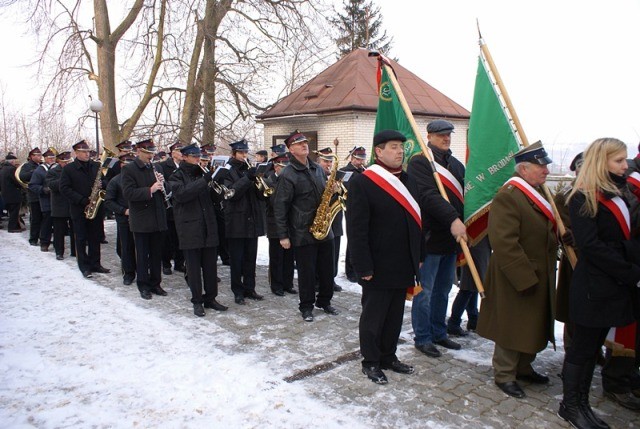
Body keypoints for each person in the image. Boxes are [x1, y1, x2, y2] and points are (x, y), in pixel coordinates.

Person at [557, 138, 640, 427]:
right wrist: (630, 270)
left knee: (593, 351)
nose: (625, 165)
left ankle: (582, 403)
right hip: (594, 286)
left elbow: (627, 239)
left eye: (625, 159)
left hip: (615, 284)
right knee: (582, 349)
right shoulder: (583, 196)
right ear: (601, 161)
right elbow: (591, 246)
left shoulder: (621, 192)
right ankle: (571, 405)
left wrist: (627, 258)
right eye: (618, 160)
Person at [476, 141, 556, 399]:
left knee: (531, 324)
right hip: (516, 274)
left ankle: (523, 367)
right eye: (540, 166)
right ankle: (505, 373)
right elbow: (504, 242)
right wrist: (524, 276)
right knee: (512, 326)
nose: (545, 170)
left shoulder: (536, 192)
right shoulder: (509, 195)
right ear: (523, 169)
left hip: (538, 271)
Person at [347, 130, 424, 384]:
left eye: (401, 147)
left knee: (394, 315)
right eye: (393, 147)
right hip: (377, 264)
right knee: (373, 316)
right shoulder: (363, 182)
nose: (400, 151)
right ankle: (370, 361)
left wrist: (419, 256)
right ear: (378, 152)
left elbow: (416, 222)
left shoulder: (408, 180)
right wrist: (363, 266)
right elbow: (357, 230)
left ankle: (388, 356)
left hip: (403, 262)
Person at [407, 119, 466, 358]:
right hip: (430, 238)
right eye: (441, 135)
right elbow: (428, 196)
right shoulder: (420, 162)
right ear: (429, 136)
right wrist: (453, 218)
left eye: (448, 134)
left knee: (443, 290)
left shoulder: (456, 165)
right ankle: (423, 337)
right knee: (425, 291)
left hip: (450, 240)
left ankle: (439, 332)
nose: (446, 138)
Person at [273, 131, 338, 322]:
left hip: (323, 228)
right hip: (302, 230)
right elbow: (280, 206)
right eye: (299, 143)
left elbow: (321, 197)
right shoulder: (287, 174)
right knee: (307, 272)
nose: (304, 145)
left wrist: (332, 191)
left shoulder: (317, 169)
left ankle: (324, 301)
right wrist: (283, 236)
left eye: (305, 142)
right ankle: (307, 306)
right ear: (291, 149)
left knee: (327, 269)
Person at [170, 143, 228, 316]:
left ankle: (211, 297)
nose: (198, 159)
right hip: (190, 228)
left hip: (208, 226)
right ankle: (197, 300)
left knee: (211, 267)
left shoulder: (203, 174)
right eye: (195, 157)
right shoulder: (176, 176)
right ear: (185, 157)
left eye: (199, 157)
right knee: (194, 268)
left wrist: (217, 182)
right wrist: (205, 181)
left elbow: (215, 198)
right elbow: (182, 194)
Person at [121, 138, 169, 300]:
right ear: (139, 151)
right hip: (141, 219)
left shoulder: (156, 166)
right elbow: (128, 193)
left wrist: (163, 185)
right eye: (148, 153)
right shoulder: (129, 169)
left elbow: (164, 190)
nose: (151, 156)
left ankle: (156, 283)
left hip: (157, 217)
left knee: (157, 254)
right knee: (142, 254)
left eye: (152, 153)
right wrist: (150, 190)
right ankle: (143, 285)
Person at [222, 139, 266, 305]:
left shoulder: (249, 169)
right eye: (241, 153)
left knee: (250, 258)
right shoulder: (227, 170)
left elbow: (260, 196)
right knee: (237, 260)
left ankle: (250, 288)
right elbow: (231, 193)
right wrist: (247, 178)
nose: (244, 156)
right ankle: (237, 291)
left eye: (246, 153)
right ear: (234, 154)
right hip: (236, 221)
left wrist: (259, 181)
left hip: (252, 219)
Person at [60, 140, 110, 278]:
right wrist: (82, 200)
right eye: (84, 152)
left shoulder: (96, 166)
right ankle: (84, 266)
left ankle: (95, 263)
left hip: (96, 207)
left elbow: (106, 181)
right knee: (81, 238)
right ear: (76, 153)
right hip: (79, 208)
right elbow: (64, 188)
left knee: (95, 236)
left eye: (88, 151)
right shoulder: (68, 169)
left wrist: (102, 184)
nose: (87, 154)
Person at [264, 153, 296, 296]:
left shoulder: (289, 180)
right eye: (283, 167)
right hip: (275, 223)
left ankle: (288, 283)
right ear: (276, 167)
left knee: (289, 256)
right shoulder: (269, 181)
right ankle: (276, 285)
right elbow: (271, 203)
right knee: (277, 256)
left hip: (290, 222)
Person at [446, 236, 490, 336]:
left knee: (473, 284)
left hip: (481, 240)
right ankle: (454, 322)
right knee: (469, 286)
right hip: (475, 240)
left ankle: (473, 319)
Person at [104, 153, 137, 285]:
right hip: (124, 218)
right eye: (125, 164)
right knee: (126, 246)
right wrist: (124, 211)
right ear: (121, 165)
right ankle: (128, 273)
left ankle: (140, 269)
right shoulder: (115, 181)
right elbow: (109, 201)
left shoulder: (138, 179)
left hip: (140, 218)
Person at [317, 147, 343, 292]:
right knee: (322, 255)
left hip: (335, 221)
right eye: (325, 161)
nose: (328, 164)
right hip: (322, 221)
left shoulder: (334, 176)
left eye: (330, 162)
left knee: (334, 253)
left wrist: (339, 190)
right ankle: (318, 281)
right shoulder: (316, 176)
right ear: (318, 162)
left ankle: (331, 280)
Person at [158, 141, 185, 275]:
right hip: (168, 207)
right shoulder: (163, 166)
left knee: (180, 237)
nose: (182, 154)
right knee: (167, 238)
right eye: (179, 151)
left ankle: (180, 263)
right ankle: (166, 263)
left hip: (182, 206)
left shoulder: (186, 166)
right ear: (173, 152)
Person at [341, 145, 367, 283]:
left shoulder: (365, 171)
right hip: (351, 208)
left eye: (362, 159)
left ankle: (360, 268)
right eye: (357, 159)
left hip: (364, 208)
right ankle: (350, 270)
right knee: (352, 239)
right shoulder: (345, 171)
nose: (360, 162)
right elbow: (345, 189)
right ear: (352, 158)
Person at [46, 151, 75, 260]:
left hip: (72, 204)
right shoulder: (53, 172)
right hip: (59, 206)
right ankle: (59, 252)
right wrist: (65, 179)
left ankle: (75, 251)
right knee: (59, 231)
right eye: (65, 162)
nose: (67, 164)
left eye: (69, 161)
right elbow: (51, 185)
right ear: (59, 162)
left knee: (75, 230)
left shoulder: (73, 171)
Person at [28, 147, 57, 252]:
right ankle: (44, 242)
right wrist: (43, 189)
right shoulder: (39, 170)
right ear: (44, 158)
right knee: (47, 222)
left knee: (57, 223)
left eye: (53, 157)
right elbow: (32, 185)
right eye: (49, 158)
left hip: (58, 201)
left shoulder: (57, 168)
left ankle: (57, 243)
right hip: (46, 200)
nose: (52, 159)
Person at [20, 147, 43, 246]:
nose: (39, 157)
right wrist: (35, 171)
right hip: (33, 195)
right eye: (36, 155)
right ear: (31, 156)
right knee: (35, 218)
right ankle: (33, 238)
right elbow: (23, 176)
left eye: (39, 155)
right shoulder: (27, 166)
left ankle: (42, 237)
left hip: (42, 195)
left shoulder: (42, 165)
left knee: (44, 218)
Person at [0, 154, 23, 232]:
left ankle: (14, 226)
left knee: (11, 211)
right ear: (12, 161)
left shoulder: (3, 169)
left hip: (5, 194)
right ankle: (12, 227)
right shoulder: (12, 169)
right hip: (13, 194)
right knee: (14, 212)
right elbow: (17, 181)